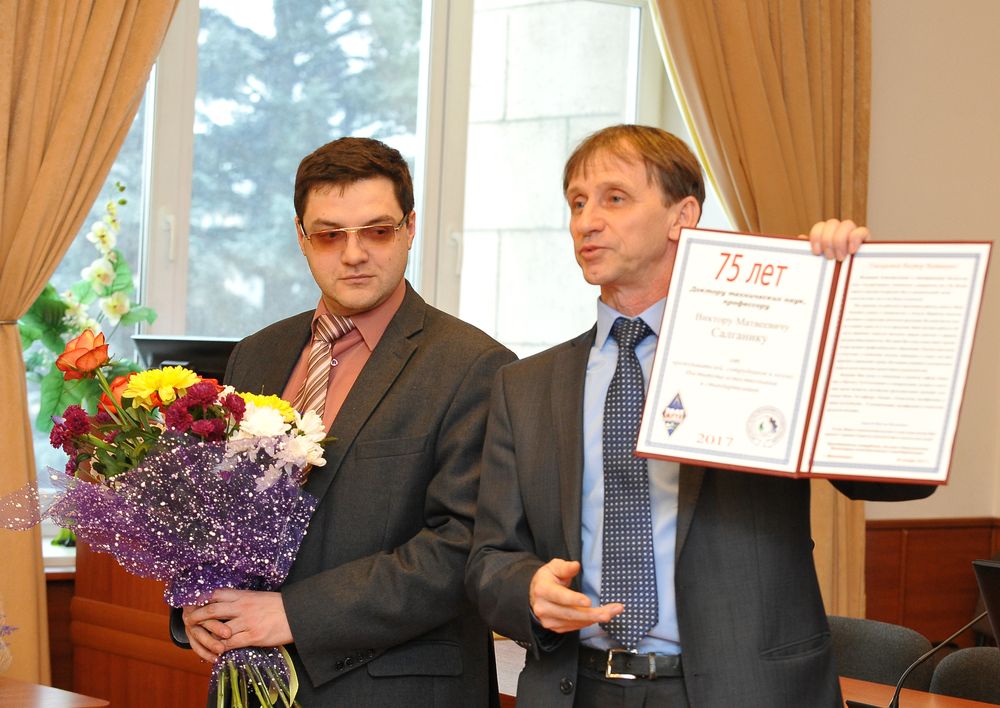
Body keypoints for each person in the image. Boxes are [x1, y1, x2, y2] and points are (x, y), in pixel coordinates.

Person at [465, 124, 935, 708]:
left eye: (615, 198)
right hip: (580, 687)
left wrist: (843, 298)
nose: (587, 221)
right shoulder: (525, 387)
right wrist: (529, 591)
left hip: (746, 691)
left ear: (681, 216)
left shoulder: (765, 348)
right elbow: (490, 560)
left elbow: (894, 477)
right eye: (577, 203)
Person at [177, 136, 516, 706]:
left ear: (410, 229)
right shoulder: (255, 354)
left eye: (377, 231)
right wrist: (198, 600)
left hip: (395, 692)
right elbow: (216, 513)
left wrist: (295, 614)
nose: (354, 254)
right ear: (301, 237)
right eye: (330, 235)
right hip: (250, 684)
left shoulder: (475, 366)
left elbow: (463, 547)